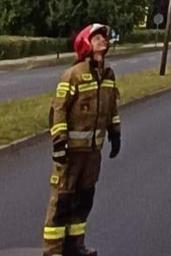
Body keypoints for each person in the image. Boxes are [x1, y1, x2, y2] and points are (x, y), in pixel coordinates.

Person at [42, 23, 121, 256]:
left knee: (84, 199)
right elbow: (59, 110)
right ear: (86, 43)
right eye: (97, 38)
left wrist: (115, 132)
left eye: (104, 38)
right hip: (71, 152)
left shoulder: (108, 74)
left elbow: (111, 107)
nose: (103, 41)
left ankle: (75, 246)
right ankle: (53, 251)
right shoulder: (73, 75)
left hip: (93, 152)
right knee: (62, 201)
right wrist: (59, 142)